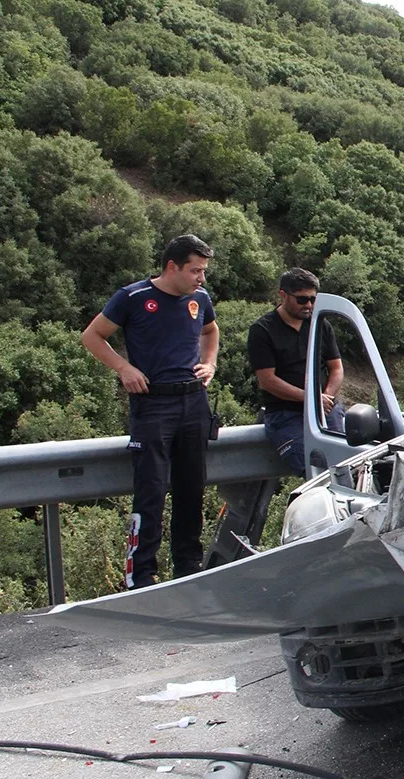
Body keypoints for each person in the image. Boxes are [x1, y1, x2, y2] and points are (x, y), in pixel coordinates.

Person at [81, 235, 218, 589]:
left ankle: (188, 568)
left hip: (193, 401)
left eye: (203, 271)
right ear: (172, 267)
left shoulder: (199, 299)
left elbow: (210, 330)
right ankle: (141, 576)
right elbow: (93, 336)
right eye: (195, 270)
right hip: (153, 403)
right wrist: (124, 369)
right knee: (152, 490)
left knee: (192, 488)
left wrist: (209, 364)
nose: (201, 278)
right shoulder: (133, 297)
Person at [247, 268, 345, 476]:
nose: (308, 305)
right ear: (283, 295)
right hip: (285, 414)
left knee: (348, 463)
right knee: (315, 468)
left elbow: (336, 368)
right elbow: (267, 381)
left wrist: (325, 397)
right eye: (301, 300)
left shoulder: (320, 324)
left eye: (312, 299)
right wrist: (311, 399)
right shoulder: (262, 330)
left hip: (325, 408)